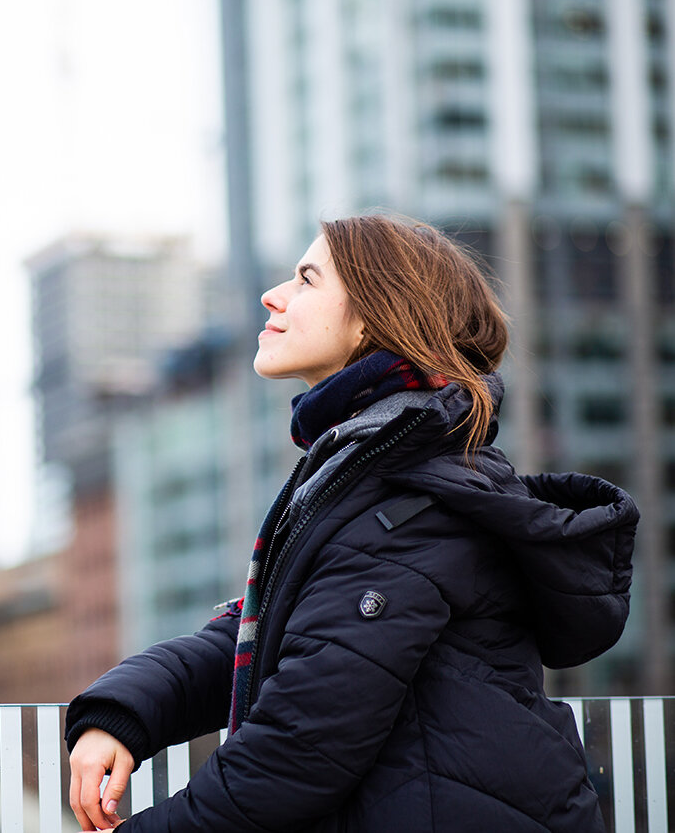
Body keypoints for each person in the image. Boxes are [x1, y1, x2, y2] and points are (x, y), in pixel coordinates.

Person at [66, 214, 638, 832]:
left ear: (374, 319)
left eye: (307, 280)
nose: (273, 296)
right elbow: (271, 632)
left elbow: (299, 750)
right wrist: (121, 713)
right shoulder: (368, 471)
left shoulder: (419, 503)